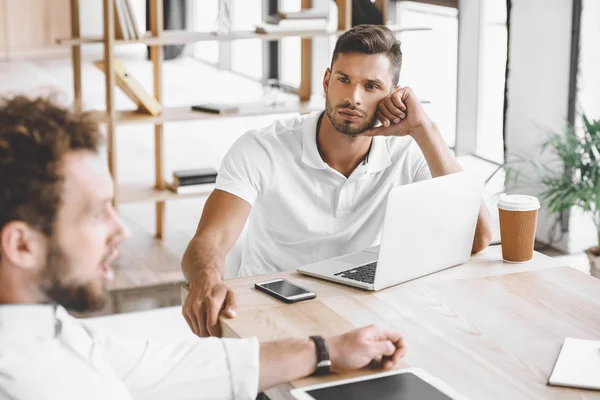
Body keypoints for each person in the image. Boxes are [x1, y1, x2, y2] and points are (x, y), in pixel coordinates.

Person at [0, 95, 407, 400]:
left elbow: (149, 367)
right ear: (21, 245)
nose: (121, 231)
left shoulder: (41, 325)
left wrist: (326, 349)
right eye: (95, 214)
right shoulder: (24, 380)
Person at [182, 24, 493, 337]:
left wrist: (424, 129)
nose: (353, 98)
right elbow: (212, 238)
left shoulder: (409, 150)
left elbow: (477, 237)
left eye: (371, 86)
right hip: (272, 307)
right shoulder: (261, 147)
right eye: (344, 80)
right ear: (327, 81)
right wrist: (207, 278)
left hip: (364, 308)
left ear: (393, 96)